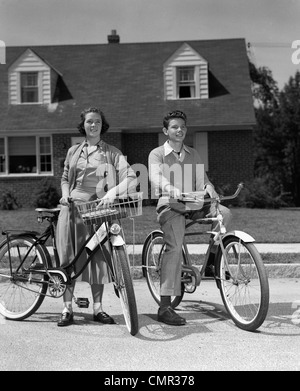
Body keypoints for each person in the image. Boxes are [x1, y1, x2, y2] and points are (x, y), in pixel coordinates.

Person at [148, 110, 232, 326]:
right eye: (175, 127)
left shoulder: (193, 153)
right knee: (174, 247)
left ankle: (213, 262)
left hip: (194, 203)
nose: (180, 130)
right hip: (170, 205)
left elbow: (202, 180)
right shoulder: (157, 154)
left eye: (183, 127)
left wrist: (209, 188)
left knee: (225, 214)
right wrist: (171, 189)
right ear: (166, 131)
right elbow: (156, 177)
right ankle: (165, 305)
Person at [56, 107, 137, 327]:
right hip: (72, 210)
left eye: (98, 122)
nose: (93, 125)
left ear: (103, 126)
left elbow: (131, 178)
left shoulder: (112, 152)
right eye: (90, 122)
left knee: (98, 259)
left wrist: (112, 192)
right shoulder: (74, 151)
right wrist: (65, 196)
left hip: (98, 208)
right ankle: (67, 308)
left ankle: (98, 308)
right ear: (83, 125)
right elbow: (65, 177)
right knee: (69, 258)